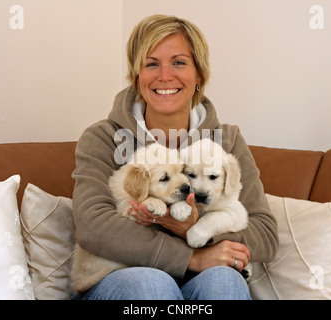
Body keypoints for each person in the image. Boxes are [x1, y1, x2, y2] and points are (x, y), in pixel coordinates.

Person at [71, 14, 278, 300]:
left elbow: (264, 234)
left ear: (199, 76)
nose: (164, 76)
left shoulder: (227, 140)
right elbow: (93, 226)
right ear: (136, 77)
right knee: (153, 285)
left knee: (225, 282)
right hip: (121, 282)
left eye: (179, 62)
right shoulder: (103, 138)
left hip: (198, 285)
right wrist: (190, 258)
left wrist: (196, 229)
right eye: (151, 64)